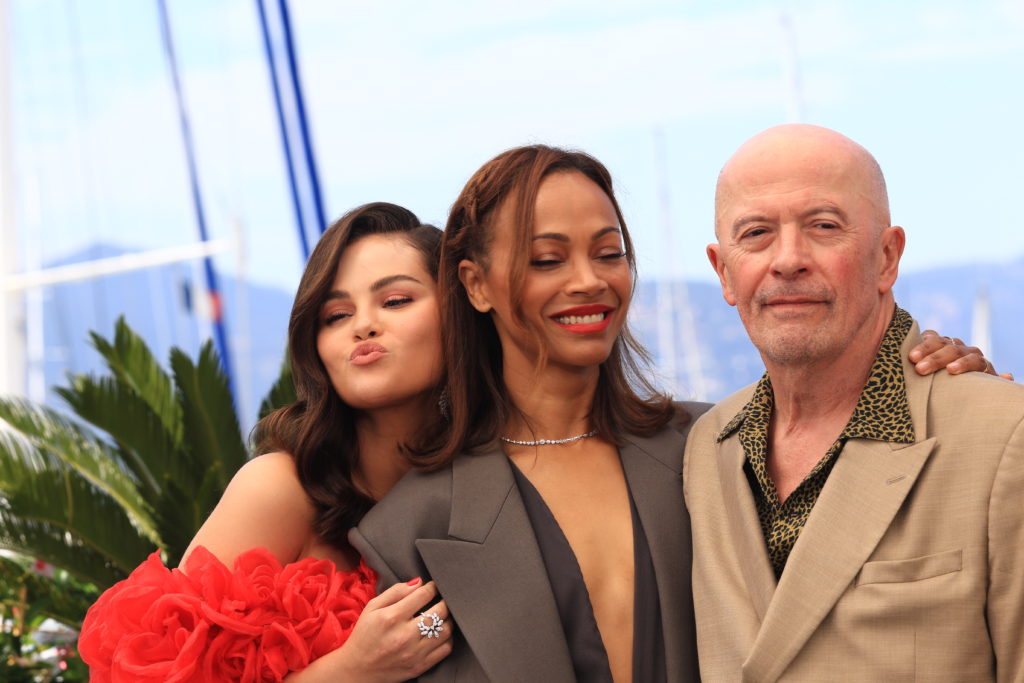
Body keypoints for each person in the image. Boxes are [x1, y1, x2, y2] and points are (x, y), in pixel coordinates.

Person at [349, 145, 994, 683]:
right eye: (547, 259)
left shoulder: (718, 447)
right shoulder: (409, 527)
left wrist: (943, 383)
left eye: (609, 253)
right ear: (474, 283)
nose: (589, 280)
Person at [685, 124, 1024, 681]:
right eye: (757, 233)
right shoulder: (705, 448)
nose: (788, 259)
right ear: (723, 271)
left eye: (823, 226)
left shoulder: (1003, 435)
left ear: (887, 257)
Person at [78, 203, 454, 682]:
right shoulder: (280, 487)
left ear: (458, 315)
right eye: (336, 315)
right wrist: (350, 670)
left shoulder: (495, 472)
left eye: (395, 301)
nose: (363, 325)